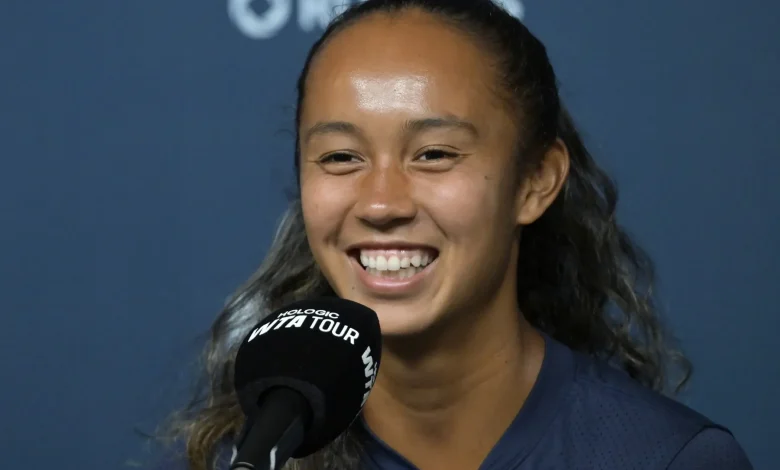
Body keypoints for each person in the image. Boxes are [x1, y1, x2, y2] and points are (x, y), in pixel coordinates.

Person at [156, 1, 753, 469]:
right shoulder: (244, 457)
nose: (382, 202)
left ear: (535, 181)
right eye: (340, 157)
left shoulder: (663, 460)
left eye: (435, 154)